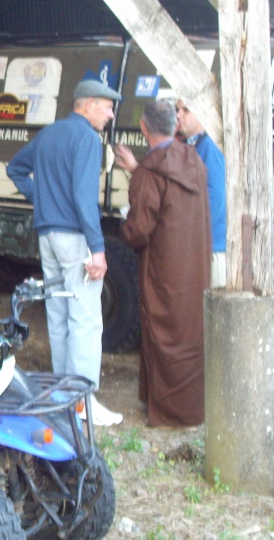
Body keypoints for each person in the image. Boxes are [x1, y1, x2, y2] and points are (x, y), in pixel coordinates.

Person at [7, 79, 124, 427]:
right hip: (75, 238)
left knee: (57, 314)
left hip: (48, 237)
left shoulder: (50, 134)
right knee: (86, 320)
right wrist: (98, 249)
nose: (111, 113)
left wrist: (41, 199)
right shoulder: (87, 138)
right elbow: (84, 198)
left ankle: (62, 395)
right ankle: (82, 401)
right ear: (87, 105)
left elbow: (15, 168)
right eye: (106, 106)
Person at [115, 100, 211, 428]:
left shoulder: (152, 169)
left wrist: (122, 229)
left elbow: (140, 228)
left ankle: (170, 413)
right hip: (195, 267)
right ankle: (189, 407)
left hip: (163, 268)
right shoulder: (193, 160)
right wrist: (138, 169)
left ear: (144, 128)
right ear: (174, 126)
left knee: (162, 331)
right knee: (187, 332)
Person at [176, 100, 226, 288]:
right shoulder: (195, 145)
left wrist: (193, 235)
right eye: (177, 110)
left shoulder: (210, 147)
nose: (179, 115)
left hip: (212, 249)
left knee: (210, 315)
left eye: (186, 110)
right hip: (203, 247)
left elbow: (216, 196)